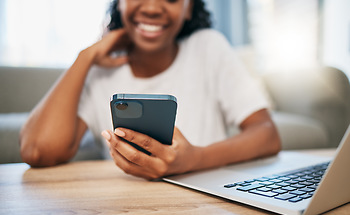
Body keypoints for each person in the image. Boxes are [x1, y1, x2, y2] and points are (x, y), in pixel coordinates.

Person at [20, 0, 281, 180]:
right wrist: (84, 57)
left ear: (188, 7)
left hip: (207, 205)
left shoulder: (208, 47)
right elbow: (37, 151)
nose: (153, 7)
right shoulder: (99, 72)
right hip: (126, 207)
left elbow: (267, 134)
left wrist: (195, 159)